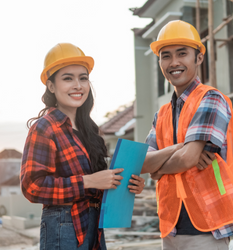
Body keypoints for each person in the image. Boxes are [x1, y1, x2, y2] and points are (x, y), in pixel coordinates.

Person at [20, 43, 146, 250]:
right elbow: (32, 186)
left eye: (83, 78)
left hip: (93, 225)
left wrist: (126, 185)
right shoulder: (45, 128)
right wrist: (87, 181)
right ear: (51, 86)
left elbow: (98, 184)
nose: (78, 85)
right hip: (64, 227)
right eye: (68, 78)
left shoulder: (91, 131)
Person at [141, 20, 233, 250]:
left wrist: (159, 168)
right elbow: (143, 163)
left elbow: (187, 159)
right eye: (166, 56)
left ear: (198, 58)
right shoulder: (161, 114)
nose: (174, 62)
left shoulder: (211, 99)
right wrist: (180, 147)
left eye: (182, 54)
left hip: (207, 224)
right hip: (171, 226)